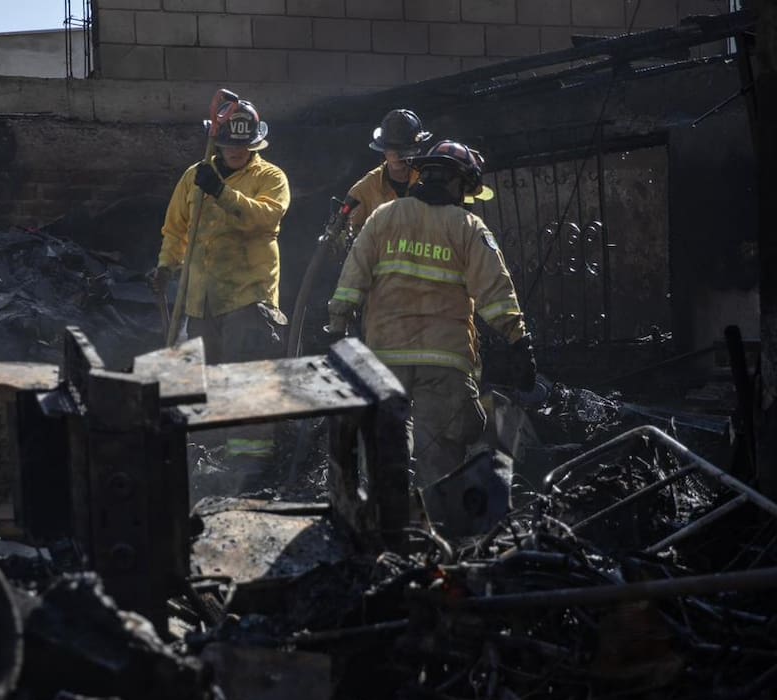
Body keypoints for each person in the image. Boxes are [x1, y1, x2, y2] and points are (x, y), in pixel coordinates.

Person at [327, 141, 537, 486]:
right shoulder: (469, 227)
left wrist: (337, 327)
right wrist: (518, 340)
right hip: (445, 363)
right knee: (438, 464)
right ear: (459, 184)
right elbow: (496, 294)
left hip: (386, 358)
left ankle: (384, 531)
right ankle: (434, 533)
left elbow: (352, 279)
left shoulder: (384, 217)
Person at [152, 97, 291, 464]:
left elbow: (265, 218)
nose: (236, 152)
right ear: (217, 141)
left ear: (255, 145)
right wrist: (166, 265)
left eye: (244, 146)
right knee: (206, 387)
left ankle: (252, 466)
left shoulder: (270, 178)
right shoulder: (193, 177)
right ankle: (209, 463)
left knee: (245, 385)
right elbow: (175, 229)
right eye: (229, 144)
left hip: (248, 301)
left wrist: (222, 192)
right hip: (200, 303)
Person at [344, 109, 431, 235]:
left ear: (415, 149)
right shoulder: (363, 191)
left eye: (402, 149)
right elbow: (348, 240)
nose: (395, 155)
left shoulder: (429, 183)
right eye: (391, 149)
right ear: (383, 149)